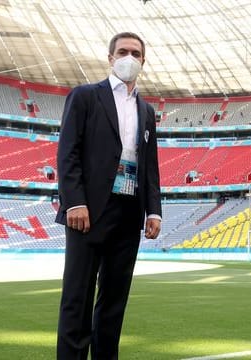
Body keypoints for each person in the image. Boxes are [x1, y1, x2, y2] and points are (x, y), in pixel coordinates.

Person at [55, 32, 162, 359]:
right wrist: (75, 201)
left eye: (135, 53)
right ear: (110, 58)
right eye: (122, 51)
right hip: (87, 211)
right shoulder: (85, 96)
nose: (129, 57)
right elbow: (67, 152)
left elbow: (150, 165)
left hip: (129, 214)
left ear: (143, 61)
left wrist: (153, 211)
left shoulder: (146, 111)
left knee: (114, 302)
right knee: (78, 298)